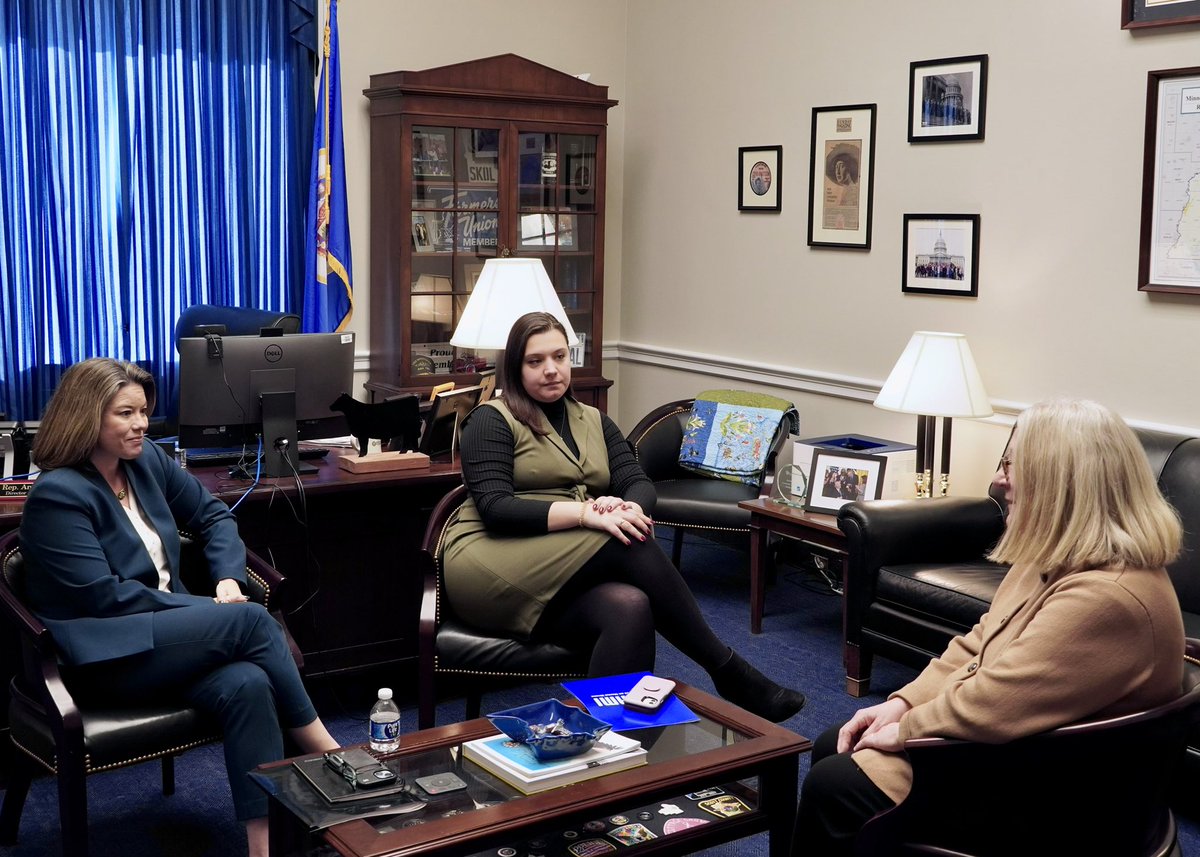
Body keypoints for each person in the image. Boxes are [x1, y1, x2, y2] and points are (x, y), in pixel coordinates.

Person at [793, 398, 1186, 855]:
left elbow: (994, 703)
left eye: (1010, 464)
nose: (999, 479)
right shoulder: (1055, 556)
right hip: (1029, 749)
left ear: (1058, 481)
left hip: (1057, 789)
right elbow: (977, 643)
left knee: (833, 783)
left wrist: (904, 731)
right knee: (834, 745)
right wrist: (902, 704)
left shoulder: (1108, 596)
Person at [19, 358, 340, 857]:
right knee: (252, 620)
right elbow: (101, 596)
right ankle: (334, 759)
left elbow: (214, 516)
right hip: (104, 656)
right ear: (87, 417)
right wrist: (203, 609)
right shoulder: (57, 494)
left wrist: (229, 579)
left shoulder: (144, 461)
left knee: (249, 685)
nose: (141, 424)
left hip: (167, 639)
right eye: (125, 413)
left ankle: (265, 848)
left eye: (144, 412)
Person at [441, 311, 805, 723]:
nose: (550, 370)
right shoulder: (492, 419)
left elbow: (637, 480)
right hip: (490, 559)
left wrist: (631, 506)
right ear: (515, 367)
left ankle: (610, 745)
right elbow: (496, 509)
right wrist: (587, 513)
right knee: (622, 539)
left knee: (629, 605)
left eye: (559, 356)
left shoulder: (593, 420)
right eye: (535, 361)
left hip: (559, 560)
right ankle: (726, 668)